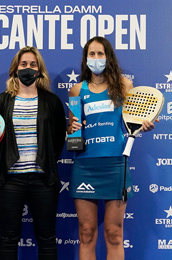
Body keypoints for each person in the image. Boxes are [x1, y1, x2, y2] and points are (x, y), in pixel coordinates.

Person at [67, 37, 156, 260]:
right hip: (85, 166)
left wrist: (144, 125)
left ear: (108, 57)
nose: (96, 58)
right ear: (85, 59)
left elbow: (133, 120)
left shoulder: (124, 86)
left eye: (100, 53)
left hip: (116, 165)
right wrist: (72, 128)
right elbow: (72, 132)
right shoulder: (77, 90)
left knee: (114, 233)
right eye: (91, 54)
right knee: (86, 233)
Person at [0, 46, 66, 260]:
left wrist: (45, 163)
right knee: (8, 238)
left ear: (39, 69)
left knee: (47, 238)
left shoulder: (51, 102)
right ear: (15, 68)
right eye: (23, 64)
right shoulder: (1, 101)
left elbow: (58, 139)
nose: (28, 68)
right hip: (9, 180)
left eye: (33, 64)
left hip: (43, 179)